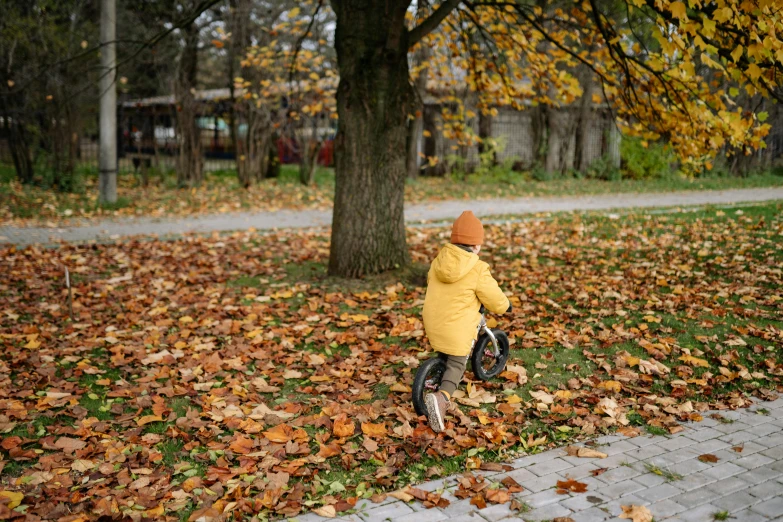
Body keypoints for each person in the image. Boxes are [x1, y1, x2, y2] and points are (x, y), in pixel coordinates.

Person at [422, 210, 512, 433]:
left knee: (447, 346)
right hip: (456, 329)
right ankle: (442, 398)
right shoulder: (478, 268)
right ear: (477, 245)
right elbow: (493, 297)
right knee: (457, 364)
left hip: (432, 322)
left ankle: (437, 366)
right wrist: (505, 306)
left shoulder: (438, 261)